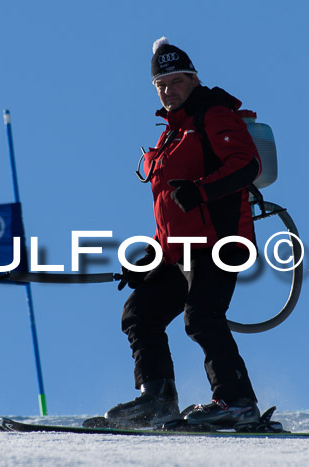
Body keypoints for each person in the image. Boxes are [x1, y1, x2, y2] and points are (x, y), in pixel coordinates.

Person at [105, 37, 262, 429]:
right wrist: (150, 258)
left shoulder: (213, 113)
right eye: (161, 84)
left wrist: (202, 190)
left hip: (220, 241)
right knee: (139, 313)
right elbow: (172, 217)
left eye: (176, 81)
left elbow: (247, 166)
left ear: (193, 79)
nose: (168, 90)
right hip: (181, 251)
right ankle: (156, 400)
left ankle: (238, 403)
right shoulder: (170, 135)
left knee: (202, 316)